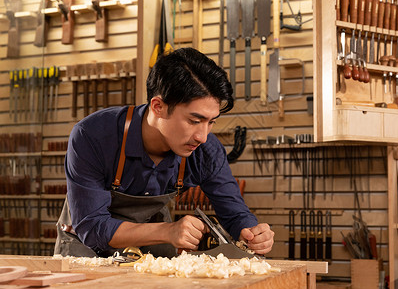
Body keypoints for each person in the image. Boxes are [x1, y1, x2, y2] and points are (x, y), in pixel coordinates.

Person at [54, 48, 274, 258]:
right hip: (84, 247)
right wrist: (168, 231)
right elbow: (92, 227)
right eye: (194, 121)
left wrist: (253, 233)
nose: (202, 136)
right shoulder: (92, 135)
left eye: (211, 122)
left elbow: (234, 214)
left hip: (150, 248)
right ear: (158, 106)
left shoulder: (206, 150)